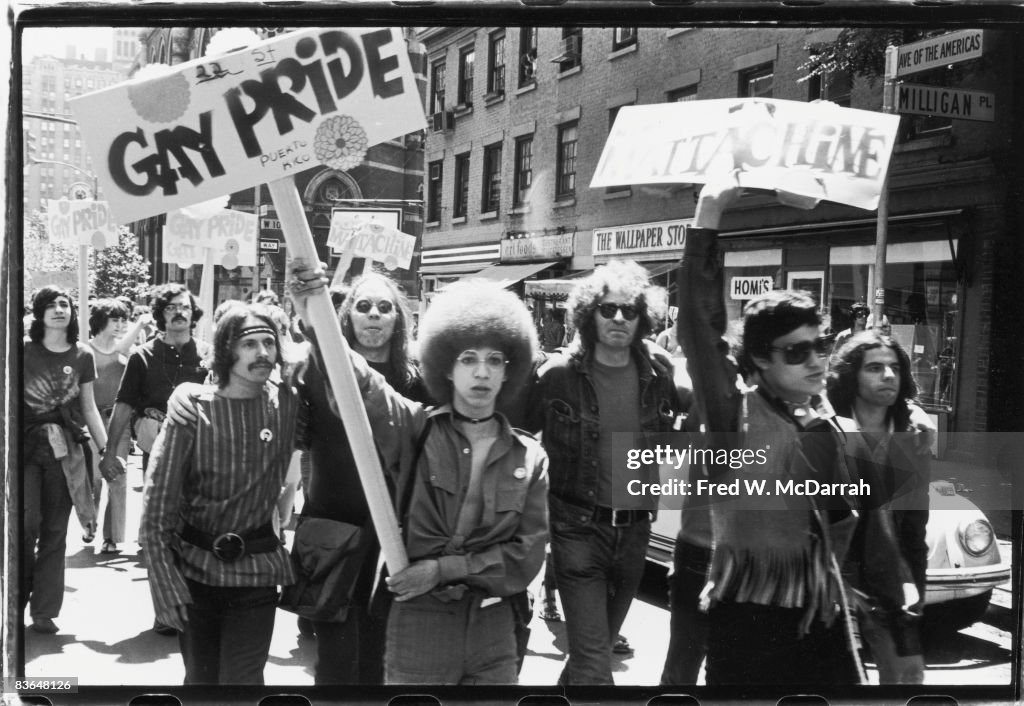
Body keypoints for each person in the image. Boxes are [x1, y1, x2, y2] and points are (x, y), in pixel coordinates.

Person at [291, 269, 549, 685]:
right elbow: (361, 384)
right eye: (468, 358)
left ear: (509, 370)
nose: (481, 373)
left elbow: (528, 556)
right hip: (421, 621)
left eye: (494, 360)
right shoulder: (416, 428)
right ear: (446, 368)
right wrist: (317, 322)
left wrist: (442, 569)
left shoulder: (530, 457)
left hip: (494, 627)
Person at [678, 177, 867, 685]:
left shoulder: (827, 419)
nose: (815, 360)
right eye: (796, 351)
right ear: (760, 360)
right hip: (750, 624)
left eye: (820, 345)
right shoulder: (732, 417)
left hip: (824, 619)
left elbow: (846, 525)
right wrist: (709, 211)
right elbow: (699, 329)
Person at [525, 260, 692, 685]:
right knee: (596, 664)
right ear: (588, 314)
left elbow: (692, 418)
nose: (618, 318)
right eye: (608, 309)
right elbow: (517, 437)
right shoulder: (558, 375)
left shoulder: (660, 373)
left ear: (642, 317)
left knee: (588, 655)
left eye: (629, 310)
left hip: (635, 533)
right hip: (577, 529)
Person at [140, 302, 306, 685]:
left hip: (256, 575)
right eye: (250, 344)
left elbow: (325, 368)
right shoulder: (192, 411)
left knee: (242, 684)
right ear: (226, 349)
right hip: (196, 575)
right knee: (200, 681)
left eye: (270, 342)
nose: (263, 353)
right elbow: (156, 509)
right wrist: (163, 586)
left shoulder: (288, 405)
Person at [296, 272, 430, 683]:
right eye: (364, 306)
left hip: (391, 541)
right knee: (335, 664)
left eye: (385, 307)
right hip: (332, 535)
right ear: (347, 316)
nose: (374, 315)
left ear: (399, 319)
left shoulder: (418, 381)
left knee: (377, 663)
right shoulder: (313, 372)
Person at [99, 283, 211, 636]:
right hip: (158, 458)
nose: (179, 312)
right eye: (171, 307)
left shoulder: (209, 356)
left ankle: (200, 607)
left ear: (194, 313)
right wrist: (109, 453)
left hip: (205, 459)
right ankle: (166, 610)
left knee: (198, 531)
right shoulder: (142, 357)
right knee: (161, 533)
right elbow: (124, 405)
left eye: (185, 307)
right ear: (160, 314)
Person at [828, 331, 930, 684]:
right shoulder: (826, 429)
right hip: (838, 579)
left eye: (894, 368)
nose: (888, 376)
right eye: (874, 368)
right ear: (851, 375)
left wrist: (916, 593)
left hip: (892, 580)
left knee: (907, 678)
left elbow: (916, 527)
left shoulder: (913, 434)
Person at [23, 286, 109, 634]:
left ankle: (44, 611)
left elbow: (88, 407)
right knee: (26, 526)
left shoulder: (83, 354)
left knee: (55, 531)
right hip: (24, 451)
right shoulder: (22, 350)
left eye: (65, 304)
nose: (60, 309)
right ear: (39, 313)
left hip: (65, 453)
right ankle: (16, 597)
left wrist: (105, 452)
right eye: (51, 305)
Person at [87, 298, 153, 553]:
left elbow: (123, 351)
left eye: (123, 319)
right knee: (94, 479)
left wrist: (138, 329)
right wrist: (138, 325)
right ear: (101, 321)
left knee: (118, 479)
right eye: (115, 319)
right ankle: (88, 523)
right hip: (92, 423)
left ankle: (112, 537)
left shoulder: (128, 350)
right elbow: (114, 353)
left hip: (119, 421)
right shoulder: (85, 349)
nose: (120, 324)